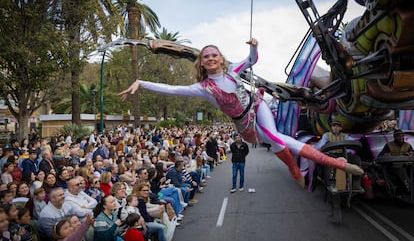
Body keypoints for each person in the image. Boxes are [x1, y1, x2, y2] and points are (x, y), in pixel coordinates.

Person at [119, 39, 363, 188]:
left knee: (275, 137)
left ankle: (300, 169)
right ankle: (328, 163)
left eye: (214, 54)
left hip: (258, 106)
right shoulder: (203, 88)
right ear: (202, 63)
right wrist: (141, 82)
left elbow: (252, 59)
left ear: (221, 59)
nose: (211, 58)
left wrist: (255, 48)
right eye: (206, 56)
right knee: (277, 138)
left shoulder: (234, 70)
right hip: (244, 125)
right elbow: (172, 90)